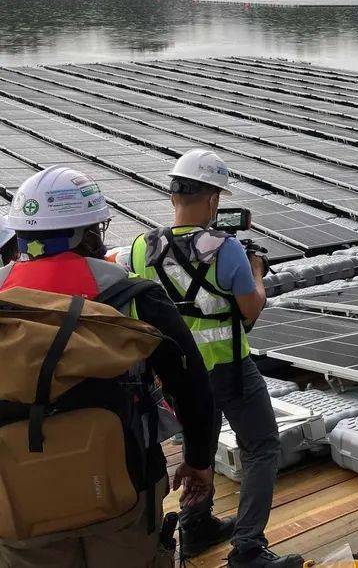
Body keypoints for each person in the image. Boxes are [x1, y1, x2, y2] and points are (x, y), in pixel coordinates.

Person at [0, 164, 217, 568]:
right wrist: (199, 461)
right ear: (87, 234)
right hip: (121, 490)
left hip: (17, 502)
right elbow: (192, 386)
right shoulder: (129, 293)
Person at [126, 149, 302, 568]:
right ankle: (248, 548)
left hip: (178, 377)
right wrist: (257, 270)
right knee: (260, 446)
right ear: (212, 200)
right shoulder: (226, 249)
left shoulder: (139, 248)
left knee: (195, 446)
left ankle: (196, 524)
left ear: (173, 196)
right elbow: (250, 309)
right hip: (231, 370)